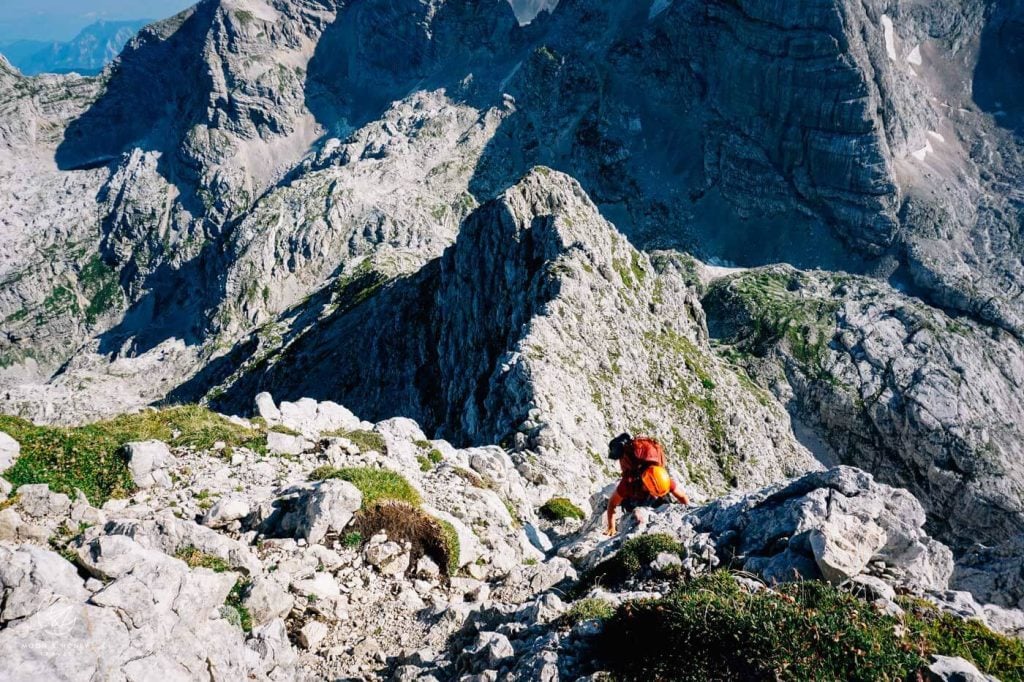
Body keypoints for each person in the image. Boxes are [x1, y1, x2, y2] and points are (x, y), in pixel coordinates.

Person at [605, 432, 689, 536]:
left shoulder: (663, 479)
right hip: (635, 498)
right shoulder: (629, 483)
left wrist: (687, 514)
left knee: (665, 503)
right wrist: (611, 527)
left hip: (651, 495)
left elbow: (683, 497)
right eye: (653, 492)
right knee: (635, 513)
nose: (654, 495)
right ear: (646, 485)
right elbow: (612, 504)